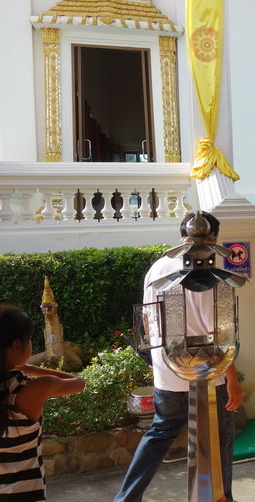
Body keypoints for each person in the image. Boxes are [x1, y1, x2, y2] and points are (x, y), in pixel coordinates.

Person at [114, 211, 242, 502]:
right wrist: (232, 378)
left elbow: (148, 320)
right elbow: (219, 333)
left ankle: (126, 497)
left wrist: (157, 363)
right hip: (208, 375)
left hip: (168, 370)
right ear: (211, 238)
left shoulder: (158, 267)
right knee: (218, 441)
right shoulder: (209, 272)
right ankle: (223, 498)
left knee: (160, 433)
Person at [1, 304, 86, 501]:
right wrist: (32, 369)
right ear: (16, 345)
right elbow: (78, 383)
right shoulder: (29, 389)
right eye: (29, 339)